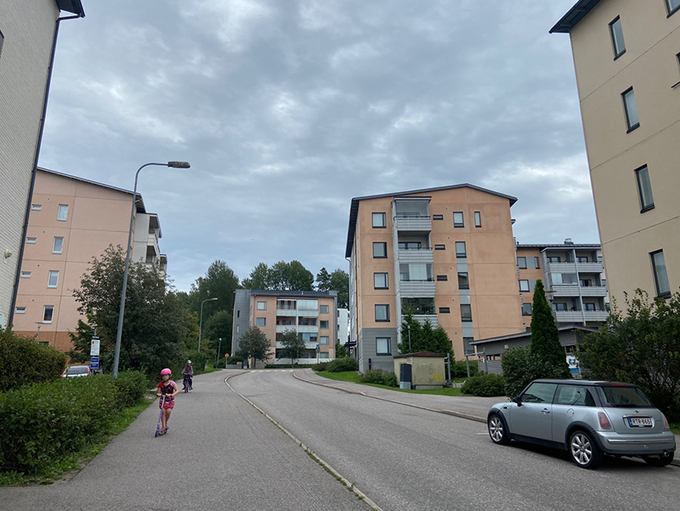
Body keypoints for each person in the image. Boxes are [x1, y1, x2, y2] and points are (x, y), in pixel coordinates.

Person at [156, 368, 179, 435]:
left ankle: (165, 423)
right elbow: (158, 392)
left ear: (169, 376)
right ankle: (163, 426)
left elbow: (177, 390)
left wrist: (172, 394)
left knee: (168, 411)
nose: (164, 377)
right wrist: (159, 394)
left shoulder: (172, 383)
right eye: (163, 376)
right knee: (163, 411)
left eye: (166, 375)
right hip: (163, 400)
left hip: (170, 400)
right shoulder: (161, 384)